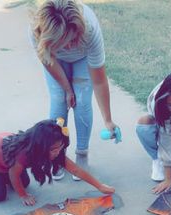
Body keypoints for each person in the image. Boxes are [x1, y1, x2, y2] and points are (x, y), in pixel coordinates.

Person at [31, 0, 118, 180]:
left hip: (83, 59)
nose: (69, 47)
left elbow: (100, 81)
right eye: (65, 42)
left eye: (72, 40)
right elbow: (49, 62)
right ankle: (57, 155)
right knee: (59, 99)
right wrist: (66, 88)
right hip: (55, 59)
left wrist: (108, 120)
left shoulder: (90, 29)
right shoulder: (36, 30)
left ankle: (82, 153)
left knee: (82, 99)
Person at [0, 119, 115, 206]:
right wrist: (23, 195)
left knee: (25, 184)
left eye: (60, 147)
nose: (57, 152)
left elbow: (76, 170)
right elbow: (13, 175)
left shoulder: (54, 148)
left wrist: (100, 186)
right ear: (40, 147)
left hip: (2, 152)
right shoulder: (24, 154)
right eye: (53, 149)